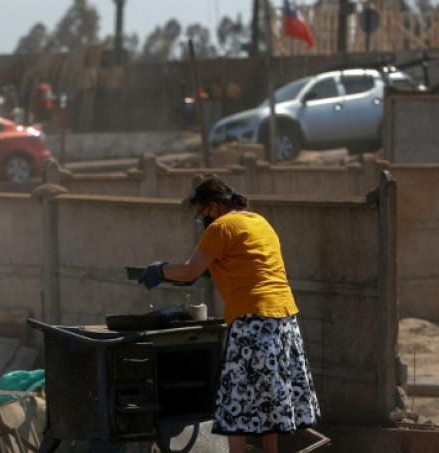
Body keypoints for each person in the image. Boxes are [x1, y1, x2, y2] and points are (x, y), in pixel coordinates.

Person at [137, 176, 320, 453]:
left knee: (240, 403)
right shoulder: (259, 221)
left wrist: (159, 270)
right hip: (284, 321)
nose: (201, 219)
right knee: (267, 401)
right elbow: (247, 264)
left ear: (214, 206)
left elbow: (189, 272)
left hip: (252, 322)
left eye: (202, 213)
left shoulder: (221, 227)